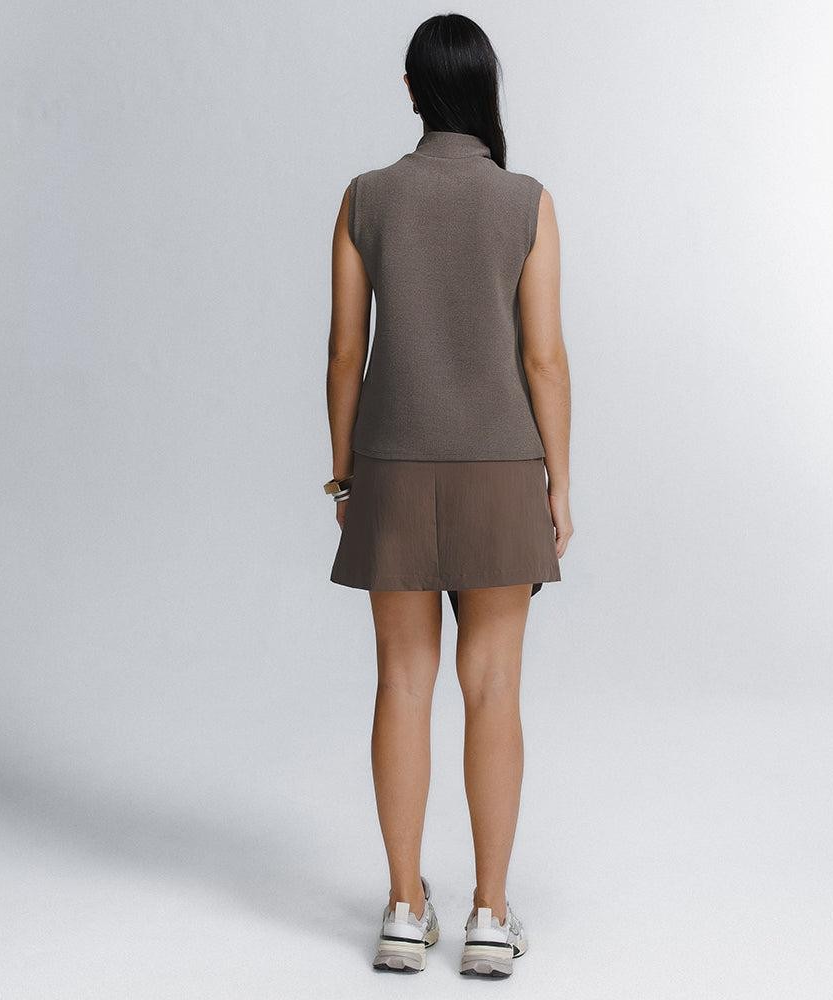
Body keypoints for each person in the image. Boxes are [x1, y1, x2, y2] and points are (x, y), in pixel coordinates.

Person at [324, 13, 573, 978]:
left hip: (391, 465)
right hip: (502, 470)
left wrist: (345, 473)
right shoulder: (526, 202)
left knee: (401, 682)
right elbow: (543, 358)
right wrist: (559, 481)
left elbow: (345, 351)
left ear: (410, 88)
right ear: (484, 87)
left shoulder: (365, 198)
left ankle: (401, 907)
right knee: (494, 687)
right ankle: (490, 915)